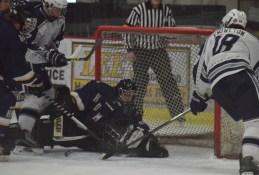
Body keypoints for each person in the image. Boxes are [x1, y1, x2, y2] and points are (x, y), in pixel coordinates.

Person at [190, 9, 259, 175]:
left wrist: (199, 96)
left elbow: (200, 69)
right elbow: (254, 71)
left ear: (226, 21)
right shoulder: (251, 39)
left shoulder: (212, 37)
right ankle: (249, 162)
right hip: (240, 75)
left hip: (217, 85)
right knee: (255, 121)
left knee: (251, 120)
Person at [27, 79, 169, 158]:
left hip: (87, 135)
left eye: (132, 96)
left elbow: (137, 123)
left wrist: (148, 134)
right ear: (119, 92)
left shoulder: (128, 110)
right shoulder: (101, 89)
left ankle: (147, 147)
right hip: (74, 120)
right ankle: (24, 136)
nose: (129, 98)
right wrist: (67, 106)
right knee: (45, 130)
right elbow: (76, 98)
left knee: (66, 138)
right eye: (127, 95)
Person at [15, 0, 68, 154]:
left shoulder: (60, 21)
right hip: (22, 61)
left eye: (61, 10)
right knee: (36, 94)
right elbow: (25, 45)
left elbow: (53, 42)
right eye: (56, 9)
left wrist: (55, 55)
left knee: (46, 93)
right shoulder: (32, 17)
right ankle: (23, 136)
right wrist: (49, 55)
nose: (59, 13)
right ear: (48, 5)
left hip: (36, 62)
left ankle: (23, 135)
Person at [124, 0, 185, 123]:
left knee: (167, 81)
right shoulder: (139, 10)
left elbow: (173, 31)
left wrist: (167, 34)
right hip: (140, 50)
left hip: (158, 50)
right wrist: (130, 49)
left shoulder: (166, 10)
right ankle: (136, 114)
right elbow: (126, 29)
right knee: (139, 82)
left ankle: (178, 114)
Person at [0, 0, 44, 161]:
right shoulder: (9, 33)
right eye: (24, 22)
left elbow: (7, 65)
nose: (25, 26)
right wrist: (35, 81)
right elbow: (18, 68)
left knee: (7, 95)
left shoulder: (4, 25)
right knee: (5, 99)